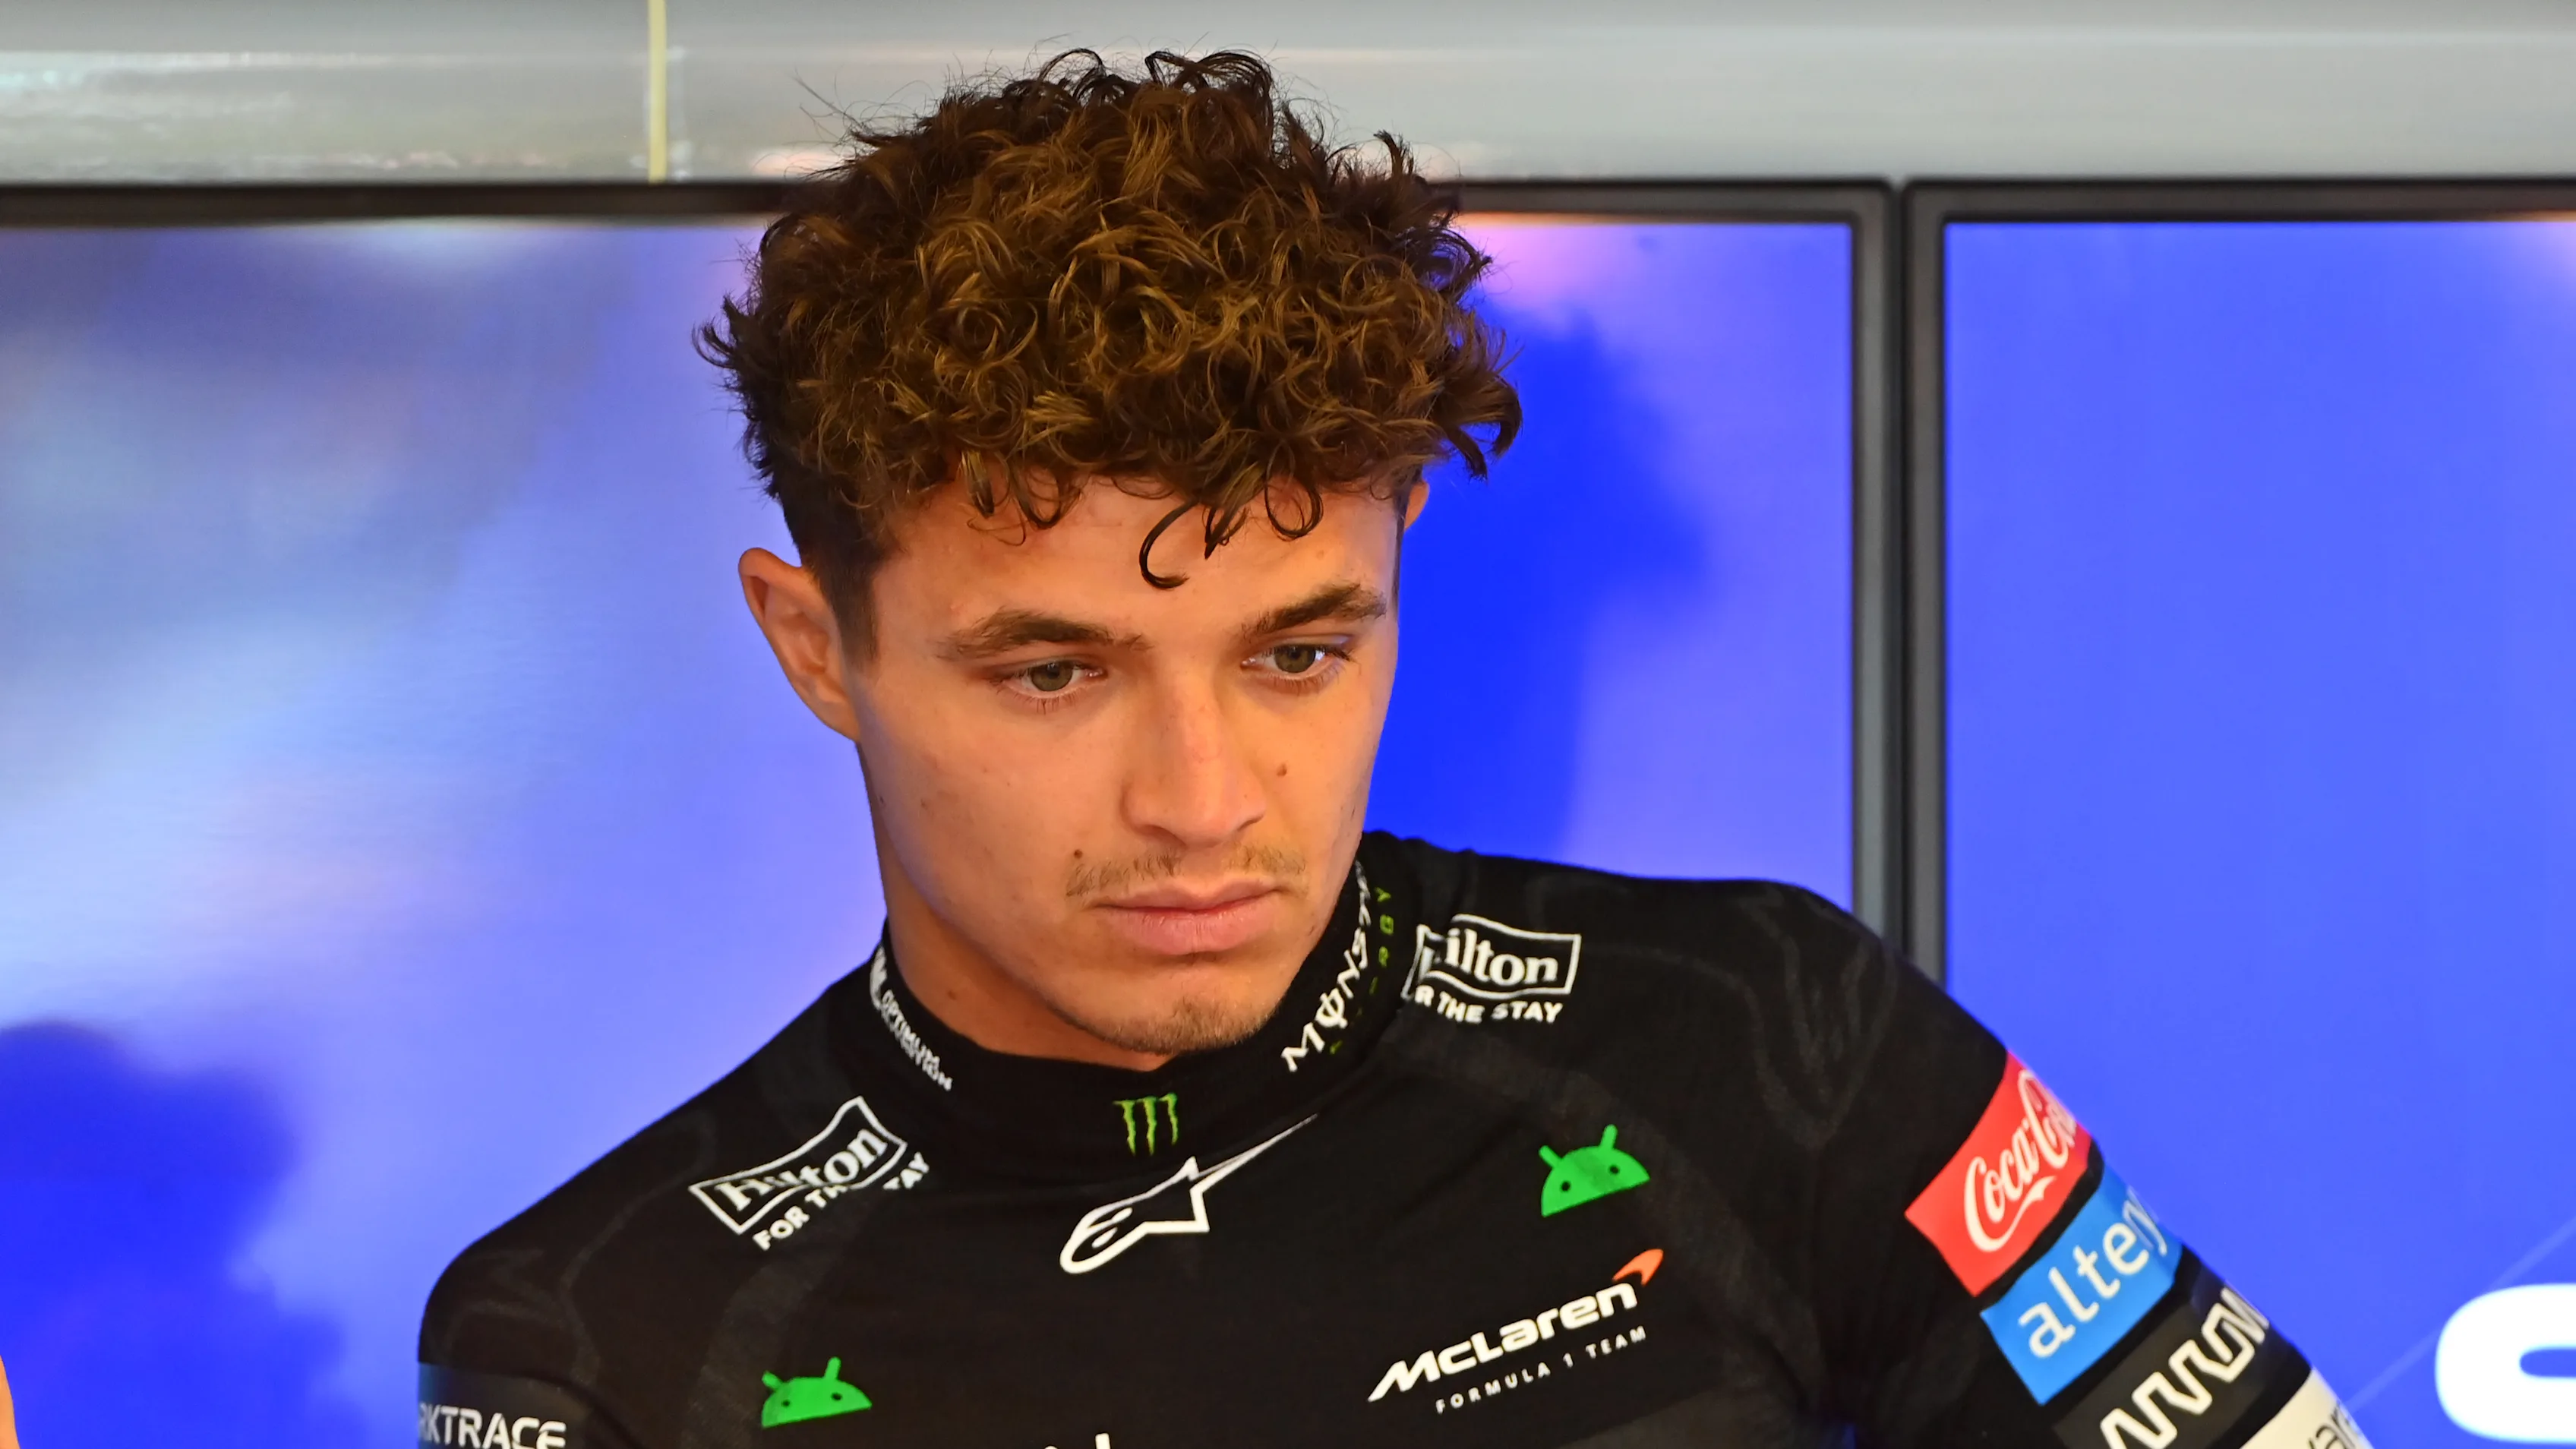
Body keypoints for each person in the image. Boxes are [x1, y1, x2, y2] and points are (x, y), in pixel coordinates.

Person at [419, 49, 2372, 1449]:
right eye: (1054, 674)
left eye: (1298, 652)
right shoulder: (600, 1342)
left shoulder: (1771, 1042)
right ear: (811, 644)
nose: (1201, 804)